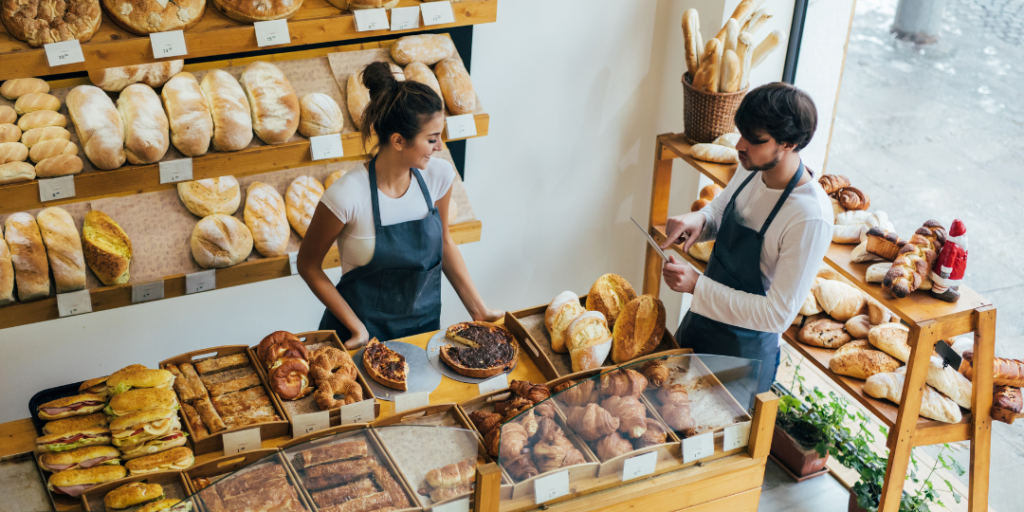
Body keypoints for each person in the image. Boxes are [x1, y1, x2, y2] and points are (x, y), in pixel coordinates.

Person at [298, 62, 501, 349]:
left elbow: (444, 242)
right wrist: (356, 327)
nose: (440, 147)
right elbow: (307, 265)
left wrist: (479, 309)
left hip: (422, 335)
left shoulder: (438, 177)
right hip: (359, 341)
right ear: (398, 141)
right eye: (431, 139)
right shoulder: (347, 195)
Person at [660, 83, 833, 394]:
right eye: (741, 133)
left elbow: (777, 315)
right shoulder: (752, 165)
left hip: (742, 360)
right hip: (699, 326)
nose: (740, 145)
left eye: (754, 140)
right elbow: (720, 211)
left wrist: (697, 285)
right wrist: (699, 220)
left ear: (789, 143)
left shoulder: (810, 217)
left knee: (710, 442)